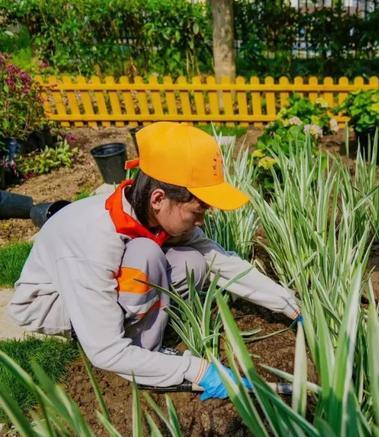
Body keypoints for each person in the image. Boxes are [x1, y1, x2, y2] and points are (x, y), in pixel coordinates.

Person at [9, 122, 301, 399]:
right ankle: (145, 353)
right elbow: (105, 351)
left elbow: (217, 260)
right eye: (198, 210)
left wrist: (288, 304)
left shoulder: (149, 211)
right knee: (145, 256)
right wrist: (197, 370)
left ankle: (144, 335)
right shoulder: (93, 241)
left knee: (194, 262)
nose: (202, 219)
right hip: (53, 301)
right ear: (159, 199)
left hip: (105, 278)